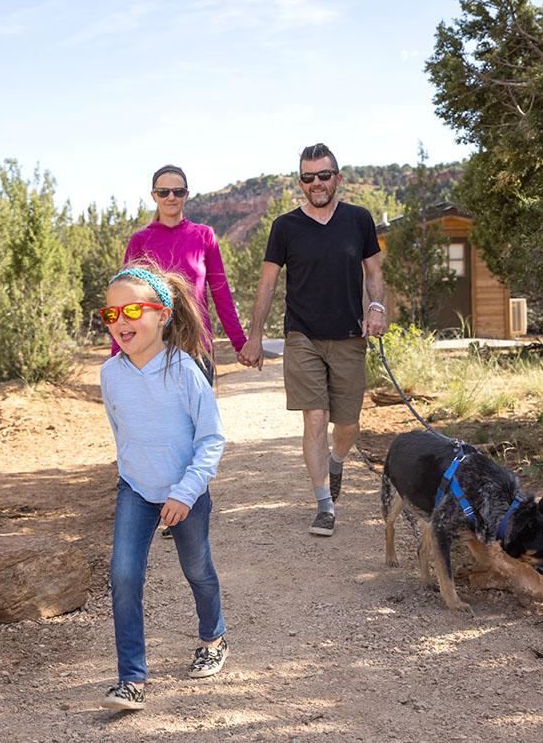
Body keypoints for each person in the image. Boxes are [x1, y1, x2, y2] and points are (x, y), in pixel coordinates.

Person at [98, 261, 229, 712]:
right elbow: (122, 434)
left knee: (197, 569)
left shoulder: (186, 371)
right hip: (135, 488)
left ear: (163, 313)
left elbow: (211, 439)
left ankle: (213, 638)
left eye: (132, 311)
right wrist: (135, 477)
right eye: (111, 314)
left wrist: (184, 492)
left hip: (185, 492)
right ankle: (131, 679)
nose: (121, 322)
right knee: (124, 574)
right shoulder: (110, 375)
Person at [238, 143, 387, 537]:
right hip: (301, 335)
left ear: (338, 177)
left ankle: (338, 460)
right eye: (308, 177)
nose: (316, 183)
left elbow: (373, 272)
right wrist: (254, 336)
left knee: (349, 424)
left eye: (324, 175)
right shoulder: (284, 227)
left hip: (349, 335)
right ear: (300, 182)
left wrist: (377, 308)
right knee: (315, 417)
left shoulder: (358, 219)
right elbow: (268, 284)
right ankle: (324, 504)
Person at [113, 164, 247, 387]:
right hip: (151, 350)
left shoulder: (204, 235)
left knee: (198, 421)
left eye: (178, 191)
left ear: (187, 194)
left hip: (197, 346)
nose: (171, 197)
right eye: (164, 192)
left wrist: (240, 343)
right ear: (154, 195)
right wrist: (117, 355)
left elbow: (221, 294)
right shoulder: (140, 240)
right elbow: (124, 301)